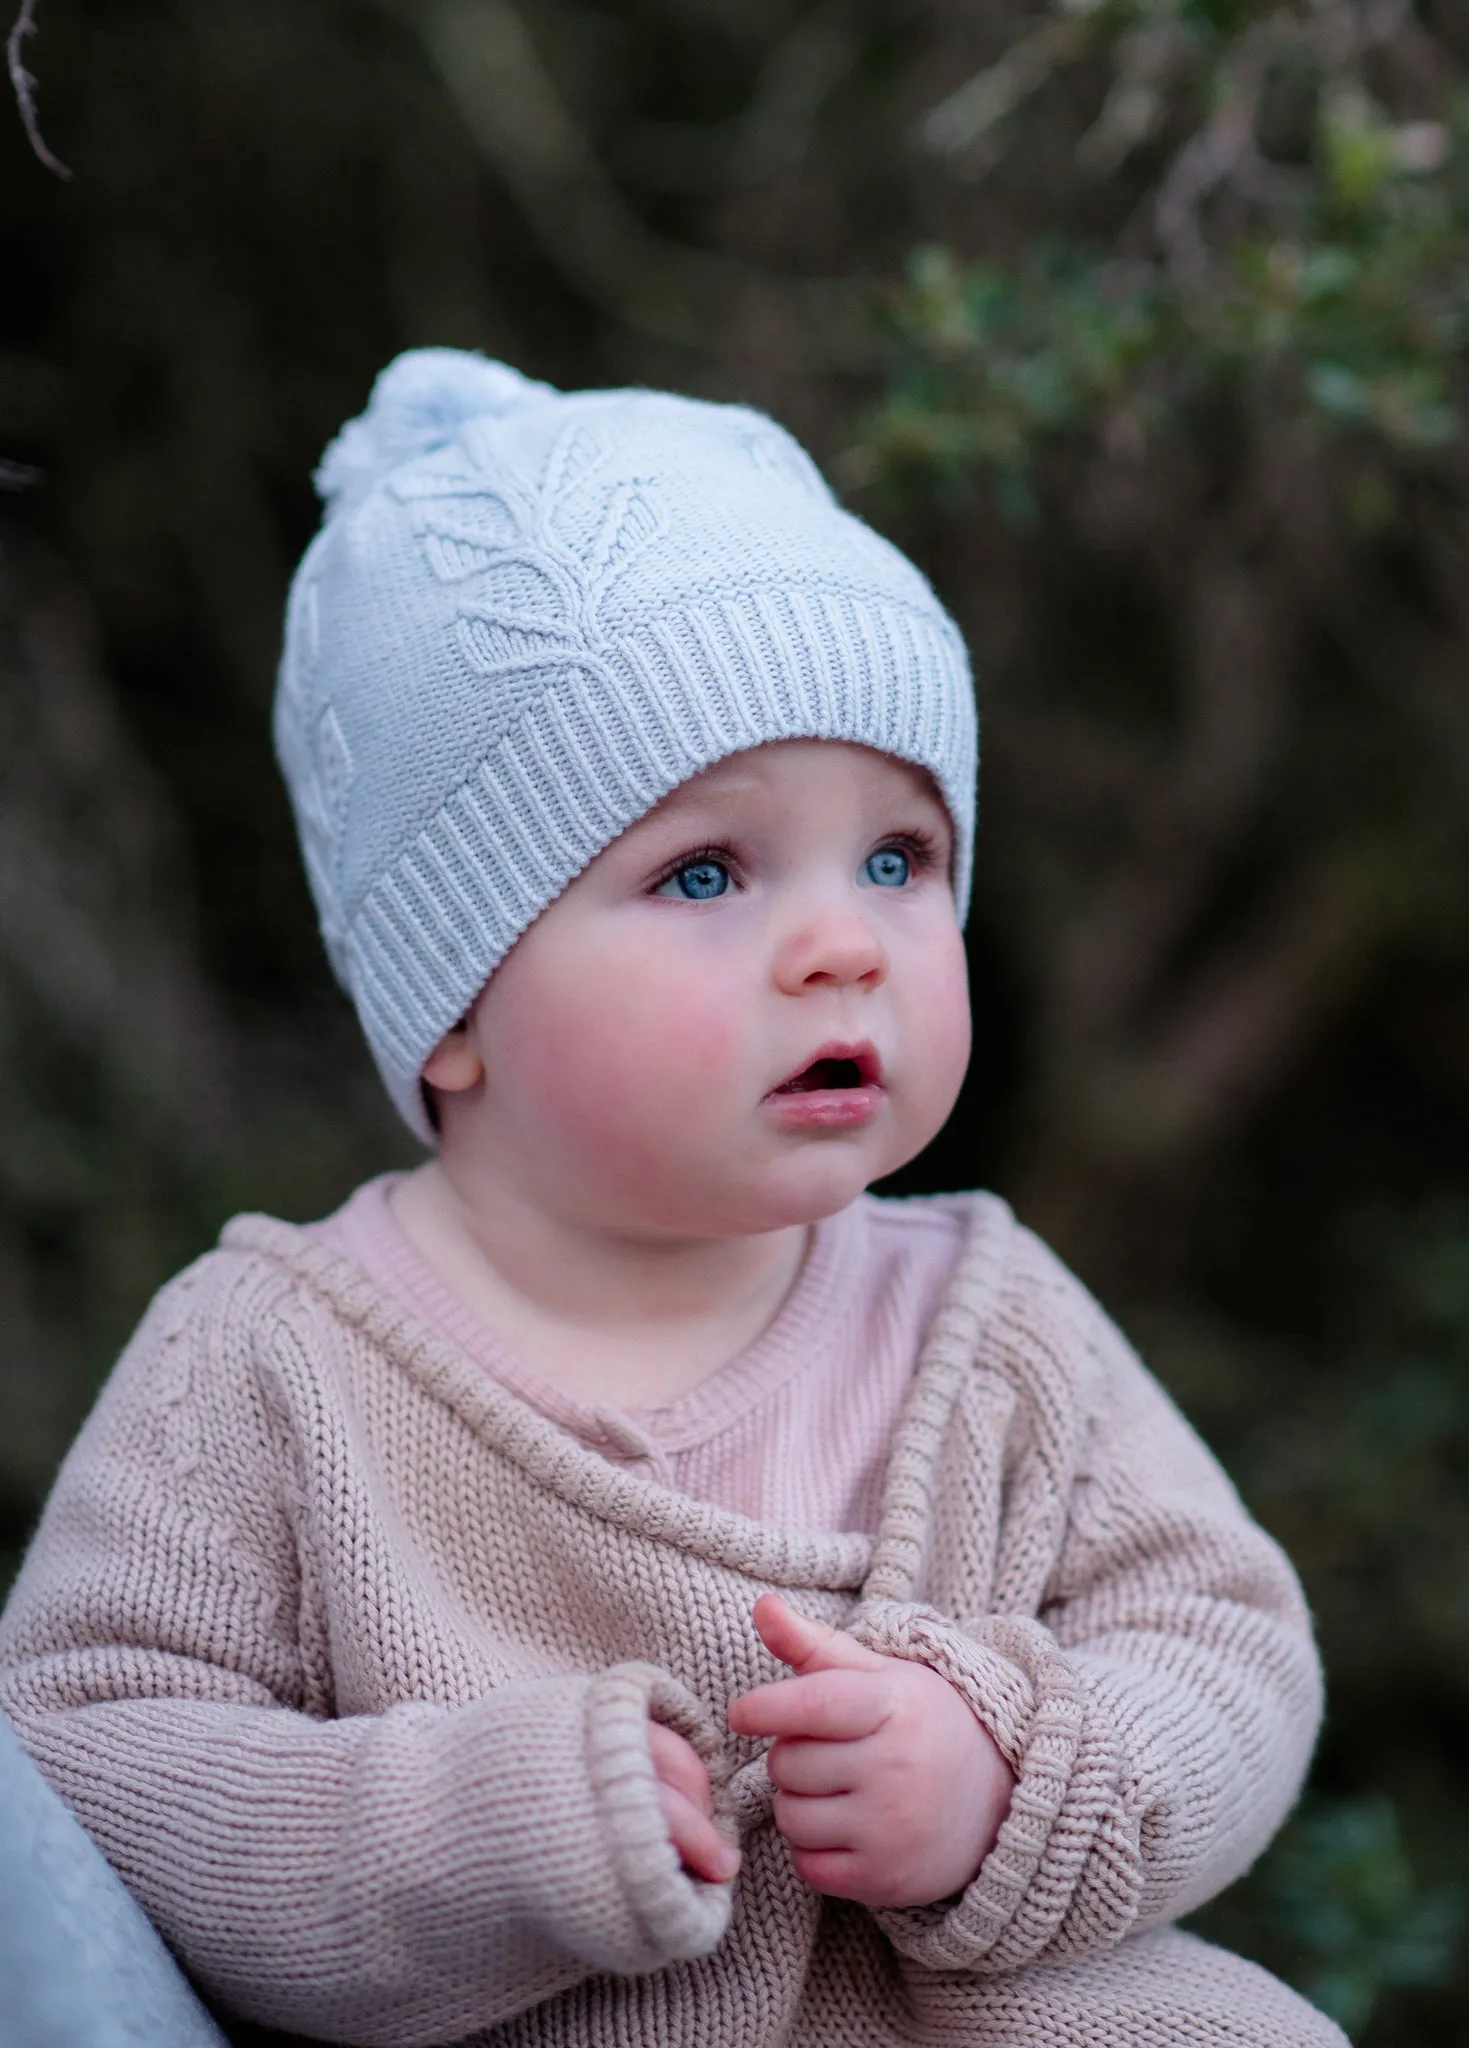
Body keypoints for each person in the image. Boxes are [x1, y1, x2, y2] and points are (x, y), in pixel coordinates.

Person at [0, 351, 1345, 2047]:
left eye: (899, 858)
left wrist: (1010, 1777)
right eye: (705, 872)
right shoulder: (267, 1363)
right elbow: (92, 1756)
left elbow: (1219, 1640)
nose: (845, 941)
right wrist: (490, 1831)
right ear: (460, 1000)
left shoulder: (984, 1314)